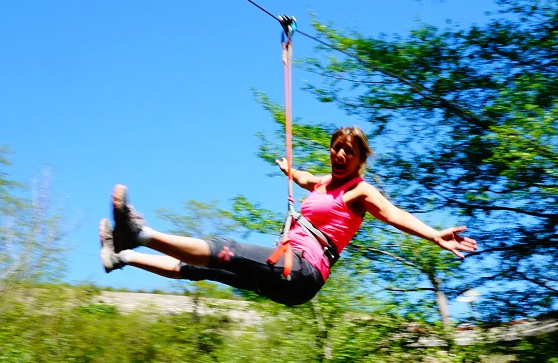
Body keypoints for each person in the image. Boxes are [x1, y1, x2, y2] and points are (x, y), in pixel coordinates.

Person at [99, 126, 476, 306]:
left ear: (361, 159)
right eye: (335, 148)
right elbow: (306, 177)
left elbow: (392, 214)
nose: (340, 154)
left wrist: (434, 235)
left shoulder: (360, 191)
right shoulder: (324, 184)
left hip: (305, 271)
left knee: (224, 249)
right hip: (290, 273)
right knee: (202, 268)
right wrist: (288, 171)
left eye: (348, 151)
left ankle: (138, 234)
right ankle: (123, 257)